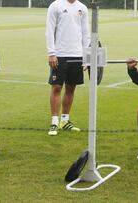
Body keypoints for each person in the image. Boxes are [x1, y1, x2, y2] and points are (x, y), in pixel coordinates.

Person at [45, 0, 90, 136]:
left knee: (71, 88)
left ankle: (65, 120)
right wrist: (51, 53)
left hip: (77, 55)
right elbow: (50, 29)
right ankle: (54, 122)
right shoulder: (56, 5)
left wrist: (86, 56)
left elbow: (85, 33)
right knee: (57, 87)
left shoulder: (82, 8)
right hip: (60, 54)